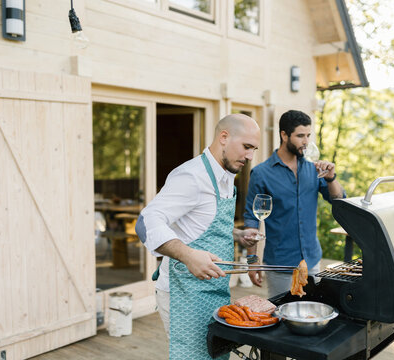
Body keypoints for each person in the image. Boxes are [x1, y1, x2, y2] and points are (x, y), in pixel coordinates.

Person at [135, 114, 261, 359]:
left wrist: (237, 235)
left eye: (254, 149)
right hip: (185, 295)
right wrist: (189, 256)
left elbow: (198, 224)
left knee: (215, 354)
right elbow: (146, 222)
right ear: (224, 137)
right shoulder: (191, 176)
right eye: (247, 147)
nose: (250, 156)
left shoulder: (226, 176)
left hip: (214, 290)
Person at [243, 110, 346, 298]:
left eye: (308, 135)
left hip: (312, 260)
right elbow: (252, 218)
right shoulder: (261, 173)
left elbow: (339, 201)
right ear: (284, 135)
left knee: (311, 311)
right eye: (300, 136)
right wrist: (252, 260)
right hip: (280, 264)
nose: (305, 141)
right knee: (283, 316)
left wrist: (331, 178)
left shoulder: (314, 169)